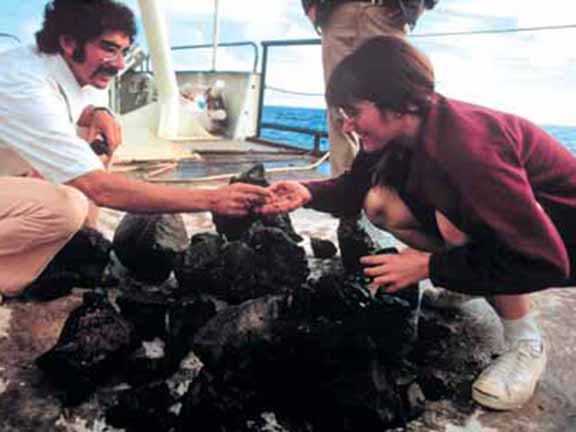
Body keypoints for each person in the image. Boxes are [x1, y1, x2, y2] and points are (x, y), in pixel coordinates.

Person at [259, 35, 576, 411]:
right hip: (516, 234)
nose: (347, 126)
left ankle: (526, 342)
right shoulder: (400, 132)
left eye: (353, 111)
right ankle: (472, 277)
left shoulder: (469, 150)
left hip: (559, 243)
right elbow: (354, 189)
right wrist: (307, 191)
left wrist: (429, 265)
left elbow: (546, 260)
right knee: (380, 204)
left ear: (395, 105)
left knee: (457, 223)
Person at [0, 0, 270, 298]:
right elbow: (99, 188)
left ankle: (60, 251)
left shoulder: (61, 68)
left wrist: (97, 112)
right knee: (64, 207)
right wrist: (212, 199)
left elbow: (71, 109)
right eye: (108, 48)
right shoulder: (23, 80)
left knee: (96, 141)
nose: (119, 64)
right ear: (68, 42)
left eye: (123, 52)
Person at [301, 0, 437, 176]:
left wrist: (418, 5)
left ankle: (392, 190)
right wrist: (309, 6)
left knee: (397, 105)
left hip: (389, 13)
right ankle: (343, 190)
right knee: (339, 108)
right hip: (338, 13)